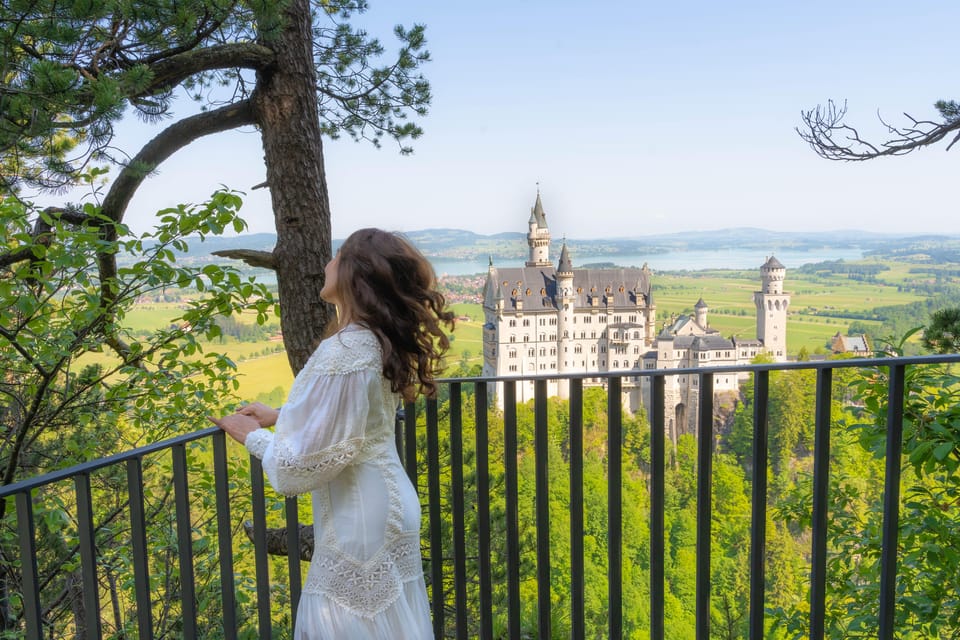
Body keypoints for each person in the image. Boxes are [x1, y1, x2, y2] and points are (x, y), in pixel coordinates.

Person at [210, 228, 453, 639]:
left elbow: (294, 470)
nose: (327, 264)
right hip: (389, 508)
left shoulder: (345, 349)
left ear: (355, 276)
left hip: (360, 524)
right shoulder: (375, 342)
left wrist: (249, 435)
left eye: (337, 258)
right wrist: (281, 414)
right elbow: (357, 414)